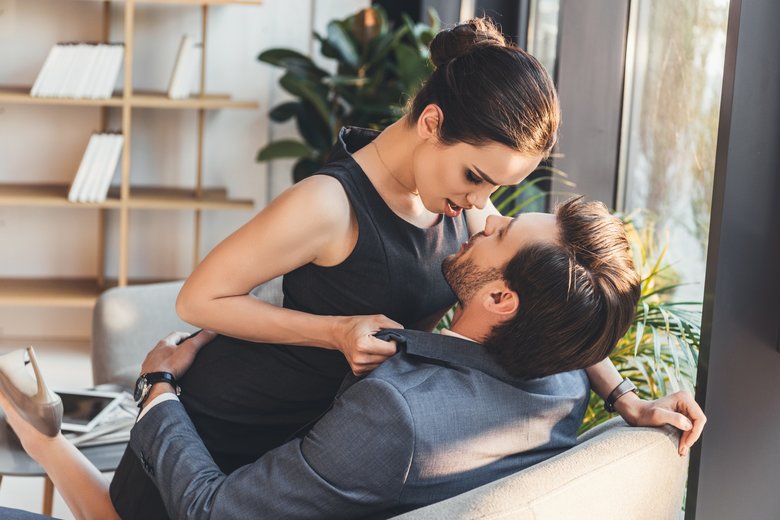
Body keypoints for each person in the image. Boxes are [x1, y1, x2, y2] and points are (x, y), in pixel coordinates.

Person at [107, 17, 703, 519]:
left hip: (324, 445)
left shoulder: (457, 195)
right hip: (225, 431)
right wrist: (332, 332)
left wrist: (622, 394)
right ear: (432, 123)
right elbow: (199, 301)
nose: (482, 203)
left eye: (498, 186)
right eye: (476, 177)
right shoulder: (329, 204)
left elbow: (548, 293)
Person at [0, 198, 706, 520]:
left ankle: (41, 437)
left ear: (499, 298)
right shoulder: (557, 378)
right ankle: (44, 437)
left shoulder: (397, 416)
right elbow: (586, 348)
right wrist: (624, 399)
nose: (485, 212)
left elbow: (214, 510)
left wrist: (156, 389)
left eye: (502, 228)